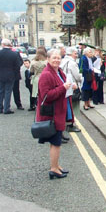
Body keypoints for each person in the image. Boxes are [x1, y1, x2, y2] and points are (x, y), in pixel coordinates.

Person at [36, 49, 77, 179]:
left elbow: (63, 86)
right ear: (48, 59)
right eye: (54, 58)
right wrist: (63, 88)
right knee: (56, 142)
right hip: (52, 114)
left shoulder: (58, 71)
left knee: (57, 141)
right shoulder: (46, 74)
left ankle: (56, 165)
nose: (56, 60)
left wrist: (71, 86)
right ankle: (53, 168)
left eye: (58, 58)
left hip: (59, 111)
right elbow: (46, 96)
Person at [0, 39, 21, 114]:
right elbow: (17, 66)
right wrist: (14, 73)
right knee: (8, 92)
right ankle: (6, 108)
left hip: (0, 75)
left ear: (3, 44)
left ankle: (0, 108)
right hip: (10, 75)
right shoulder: (14, 54)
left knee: (0, 92)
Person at [60, 47, 82, 132]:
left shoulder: (63, 61)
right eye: (75, 53)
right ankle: (71, 124)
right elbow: (77, 76)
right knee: (74, 106)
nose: (76, 55)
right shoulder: (72, 63)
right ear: (71, 53)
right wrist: (81, 78)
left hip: (66, 85)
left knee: (68, 105)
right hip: (72, 86)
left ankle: (68, 123)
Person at [12, 46, 24, 110]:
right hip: (15, 74)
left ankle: (3, 105)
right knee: (16, 90)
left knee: (5, 91)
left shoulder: (16, 53)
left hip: (11, 75)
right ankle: (18, 104)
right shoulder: (16, 53)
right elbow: (21, 62)